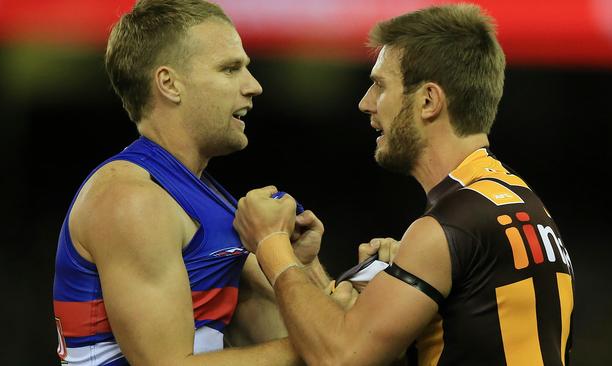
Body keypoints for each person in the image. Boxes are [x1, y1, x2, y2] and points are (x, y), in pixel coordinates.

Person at [234, 3, 575, 366]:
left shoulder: (447, 228)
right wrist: (313, 273)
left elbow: (339, 356)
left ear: (428, 100)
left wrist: (271, 245)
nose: (365, 103)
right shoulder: (519, 202)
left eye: (380, 85)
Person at [51, 1, 360, 365]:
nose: (254, 86)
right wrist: (322, 340)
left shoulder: (207, 198)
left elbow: (307, 325)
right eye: (230, 69)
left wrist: (303, 263)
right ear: (169, 84)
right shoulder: (132, 199)